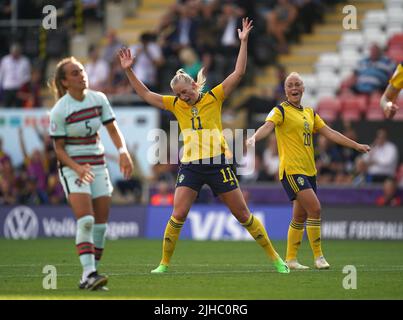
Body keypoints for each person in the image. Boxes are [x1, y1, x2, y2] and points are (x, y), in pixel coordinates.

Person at [120, 17, 290, 274]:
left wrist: (243, 42)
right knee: (178, 214)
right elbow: (145, 94)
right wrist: (129, 70)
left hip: (218, 162)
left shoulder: (214, 97)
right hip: (190, 166)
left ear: (194, 85)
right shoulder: (175, 105)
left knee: (243, 215)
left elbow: (239, 73)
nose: (182, 98)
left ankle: (276, 259)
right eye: (178, 95)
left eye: (185, 92)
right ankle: (163, 264)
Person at [247, 72, 371, 270]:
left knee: (300, 216)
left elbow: (330, 133)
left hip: (309, 171)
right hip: (292, 170)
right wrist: (255, 138)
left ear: (303, 89)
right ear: (286, 90)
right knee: (315, 209)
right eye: (290, 85)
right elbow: (267, 126)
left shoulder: (310, 113)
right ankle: (318, 257)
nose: (294, 88)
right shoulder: (281, 110)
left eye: (297, 84)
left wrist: (355, 145)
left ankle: (291, 260)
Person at [48, 57, 134, 290]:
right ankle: (89, 273)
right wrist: (76, 168)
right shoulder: (59, 110)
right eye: (75, 73)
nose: (82, 75)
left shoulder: (99, 99)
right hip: (73, 168)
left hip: (98, 166)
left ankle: (90, 276)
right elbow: (59, 150)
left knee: (101, 226)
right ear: (65, 82)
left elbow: (113, 130)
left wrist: (123, 151)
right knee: (86, 220)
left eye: (82, 70)